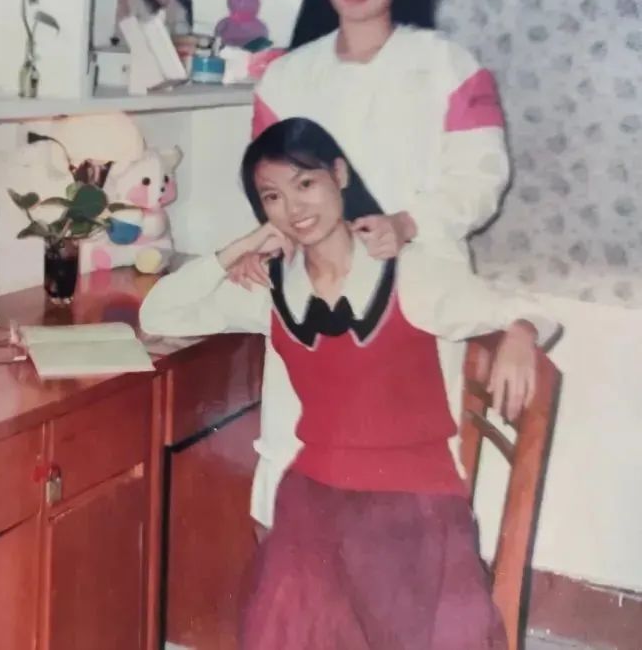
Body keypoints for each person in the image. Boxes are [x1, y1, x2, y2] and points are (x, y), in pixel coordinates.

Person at [139, 118, 557, 650]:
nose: (294, 207)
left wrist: (520, 332)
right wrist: (238, 248)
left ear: (338, 175)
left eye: (305, 183)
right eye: (272, 197)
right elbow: (159, 313)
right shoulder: (271, 288)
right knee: (291, 624)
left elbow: (529, 312)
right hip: (315, 494)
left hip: (414, 500)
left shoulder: (405, 272)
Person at [229, 0, 512, 533]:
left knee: (402, 500)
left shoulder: (448, 65)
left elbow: (481, 179)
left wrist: (407, 223)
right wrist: (268, 244)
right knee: (299, 479)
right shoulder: (285, 78)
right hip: (311, 299)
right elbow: (271, 191)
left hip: (412, 291)